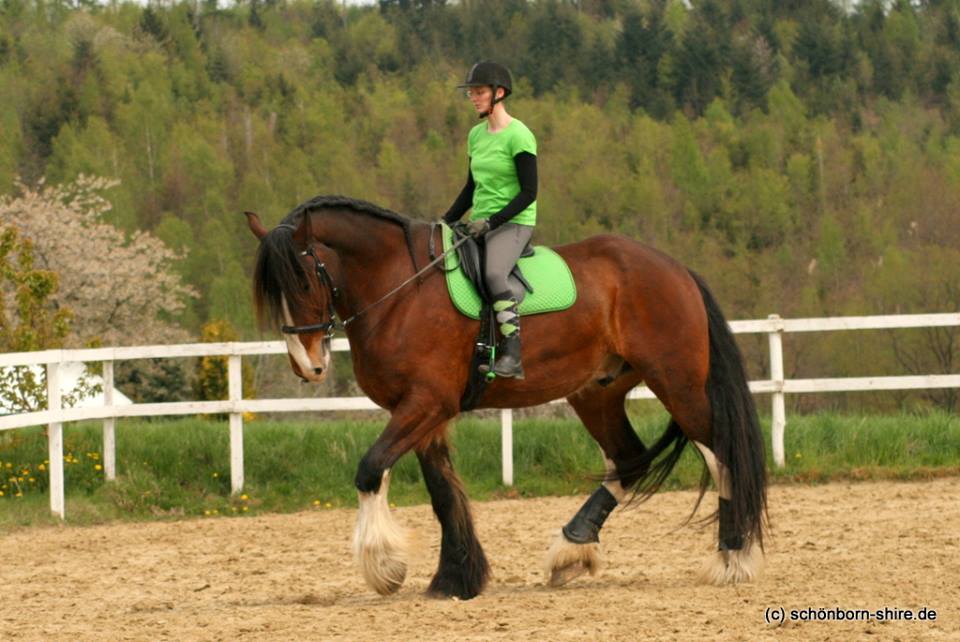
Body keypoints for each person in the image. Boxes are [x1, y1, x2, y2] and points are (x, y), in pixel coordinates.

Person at [443, 60, 538, 380]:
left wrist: (493, 222)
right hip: (480, 220)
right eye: (470, 92)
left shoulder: (520, 136)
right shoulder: (475, 135)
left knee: (494, 273)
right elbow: (470, 188)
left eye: (479, 91)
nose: (473, 97)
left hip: (514, 222)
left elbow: (529, 193)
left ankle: (513, 353)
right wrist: (444, 222)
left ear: (499, 93)